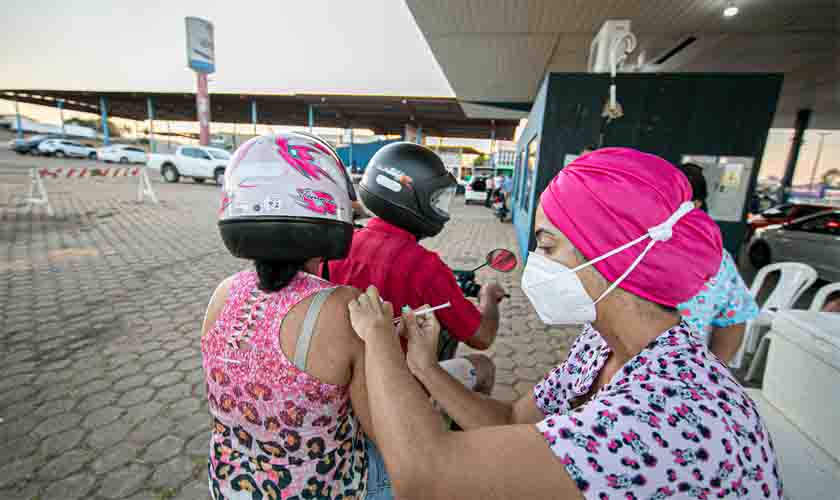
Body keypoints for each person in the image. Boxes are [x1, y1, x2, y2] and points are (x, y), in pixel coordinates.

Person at [348, 148, 782, 500]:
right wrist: (424, 366)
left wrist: (379, 339)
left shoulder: (668, 412)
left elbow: (428, 478)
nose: (536, 266)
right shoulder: (601, 343)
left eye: (549, 246)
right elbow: (514, 419)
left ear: (615, 256)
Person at [202, 132, 386, 499]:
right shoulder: (340, 306)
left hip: (230, 486)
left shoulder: (222, 293)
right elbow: (377, 426)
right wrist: (384, 342)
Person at [328, 142, 506, 360]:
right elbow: (482, 337)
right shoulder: (425, 267)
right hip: (400, 382)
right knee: (482, 365)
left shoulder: (334, 245)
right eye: (435, 200)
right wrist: (488, 295)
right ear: (411, 198)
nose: (442, 212)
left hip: (337, 372)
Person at [678, 163, 760, 363]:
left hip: (684, 375)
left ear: (694, 204)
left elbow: (733, 319)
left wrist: (714, 371)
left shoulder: (715, 258)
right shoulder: (622, 247)